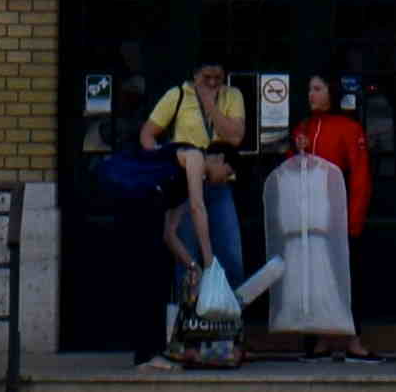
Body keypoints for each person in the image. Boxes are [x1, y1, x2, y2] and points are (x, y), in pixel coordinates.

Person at [138, 57, 255, 364]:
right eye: (207, 77)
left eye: (219, 77)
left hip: (219, 183)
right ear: (194, 74)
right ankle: (185, 339)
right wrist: (161, 163)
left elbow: (234, 136)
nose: (214, 82)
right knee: (189, 266)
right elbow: (148, 134)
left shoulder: (233, 97)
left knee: (231, 259)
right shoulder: (176, 95)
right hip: (187, 182)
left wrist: (210, 103)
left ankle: (232, 338)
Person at [261, 70, 372, 363]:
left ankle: (353, 340)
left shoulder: (349, 128)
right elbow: (290, 176)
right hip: (308, 221)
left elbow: (360, 177)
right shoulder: (303, 129)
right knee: (313, 279)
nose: (312, 95)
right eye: (310, 89)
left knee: (347, 280)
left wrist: (354, 221)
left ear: (331, 93)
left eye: (318, 89)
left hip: (338, 219)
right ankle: (322, 339)